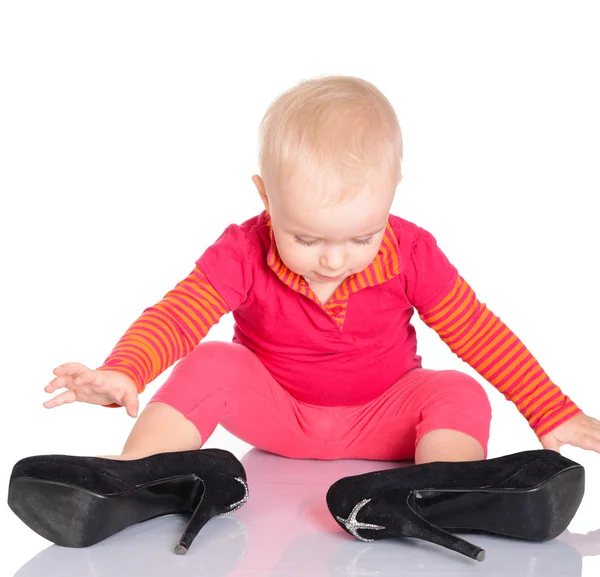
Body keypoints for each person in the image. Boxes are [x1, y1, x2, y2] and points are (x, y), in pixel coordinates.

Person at [43, 74, 600, 464]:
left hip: (387, 421)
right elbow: (179, 315)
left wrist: (550, 411)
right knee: (213, 359)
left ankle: (442, 489)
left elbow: (478, 332)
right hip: (277, 416)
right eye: (305, 238)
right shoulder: (243, 249)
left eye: (362, 236)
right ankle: (135, 475)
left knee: (459, 391)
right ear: (266, 198)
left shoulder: (411, 252)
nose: (334, 259)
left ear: (391, 197)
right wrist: (124, 370)